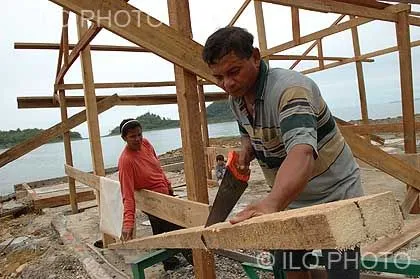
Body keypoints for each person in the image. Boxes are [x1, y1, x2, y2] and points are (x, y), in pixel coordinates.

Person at [202, 27, 364, 279]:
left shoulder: (290, 90)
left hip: (336, 195)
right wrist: (246, 153)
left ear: (255, 57)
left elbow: (302, 153)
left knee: (342, 272)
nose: (227, 83)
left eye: (233, 72)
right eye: (219, 77)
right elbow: (249, 134)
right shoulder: (237, 99)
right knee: (291, 268)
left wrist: (271, 203)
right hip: (290, 200)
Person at [118, 118, 193, 271]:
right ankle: (197, 261)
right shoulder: (126, 161)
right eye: (133, 136)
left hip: (164, 196)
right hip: (151, 201)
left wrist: (168, 184)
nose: (138, 139)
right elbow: (127, 195)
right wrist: (128, 223)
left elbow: (157, 167)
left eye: (139, 134)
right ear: (124, 138)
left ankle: (169, 263)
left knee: (159, 231)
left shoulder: (146, 144)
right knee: (179, 230)